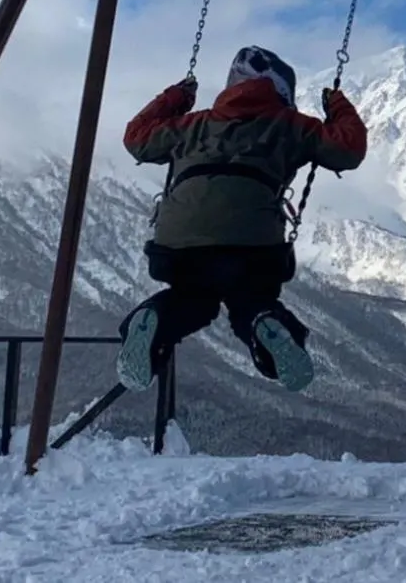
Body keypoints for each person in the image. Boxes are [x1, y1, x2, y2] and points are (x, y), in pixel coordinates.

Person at [114, 45, 367, 393]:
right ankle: (266, 324)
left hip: (177, 240)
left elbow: (136, 137)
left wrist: (176, 97)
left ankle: (153, 320)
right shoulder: (291, 125)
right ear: (281, 90)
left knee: (193, 300)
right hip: (253, 242)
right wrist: (336, 105)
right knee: (251, 299)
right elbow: (349, 149)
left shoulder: (194, 123)